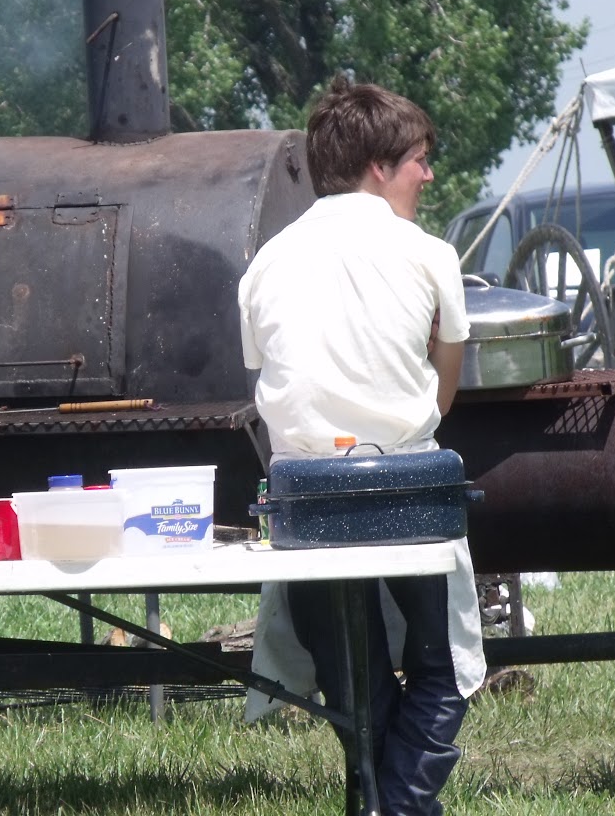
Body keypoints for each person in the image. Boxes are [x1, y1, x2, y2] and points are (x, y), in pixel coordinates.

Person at [238, 75, 485, 816]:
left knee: (357, 690)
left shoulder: (265, 263)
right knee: (442, 676)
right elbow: (443, 393)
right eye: (419, 160)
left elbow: (278, 376)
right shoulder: (429, 254)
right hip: (407, 483)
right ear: (380, 166)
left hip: (306, 495)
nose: (428, 175)